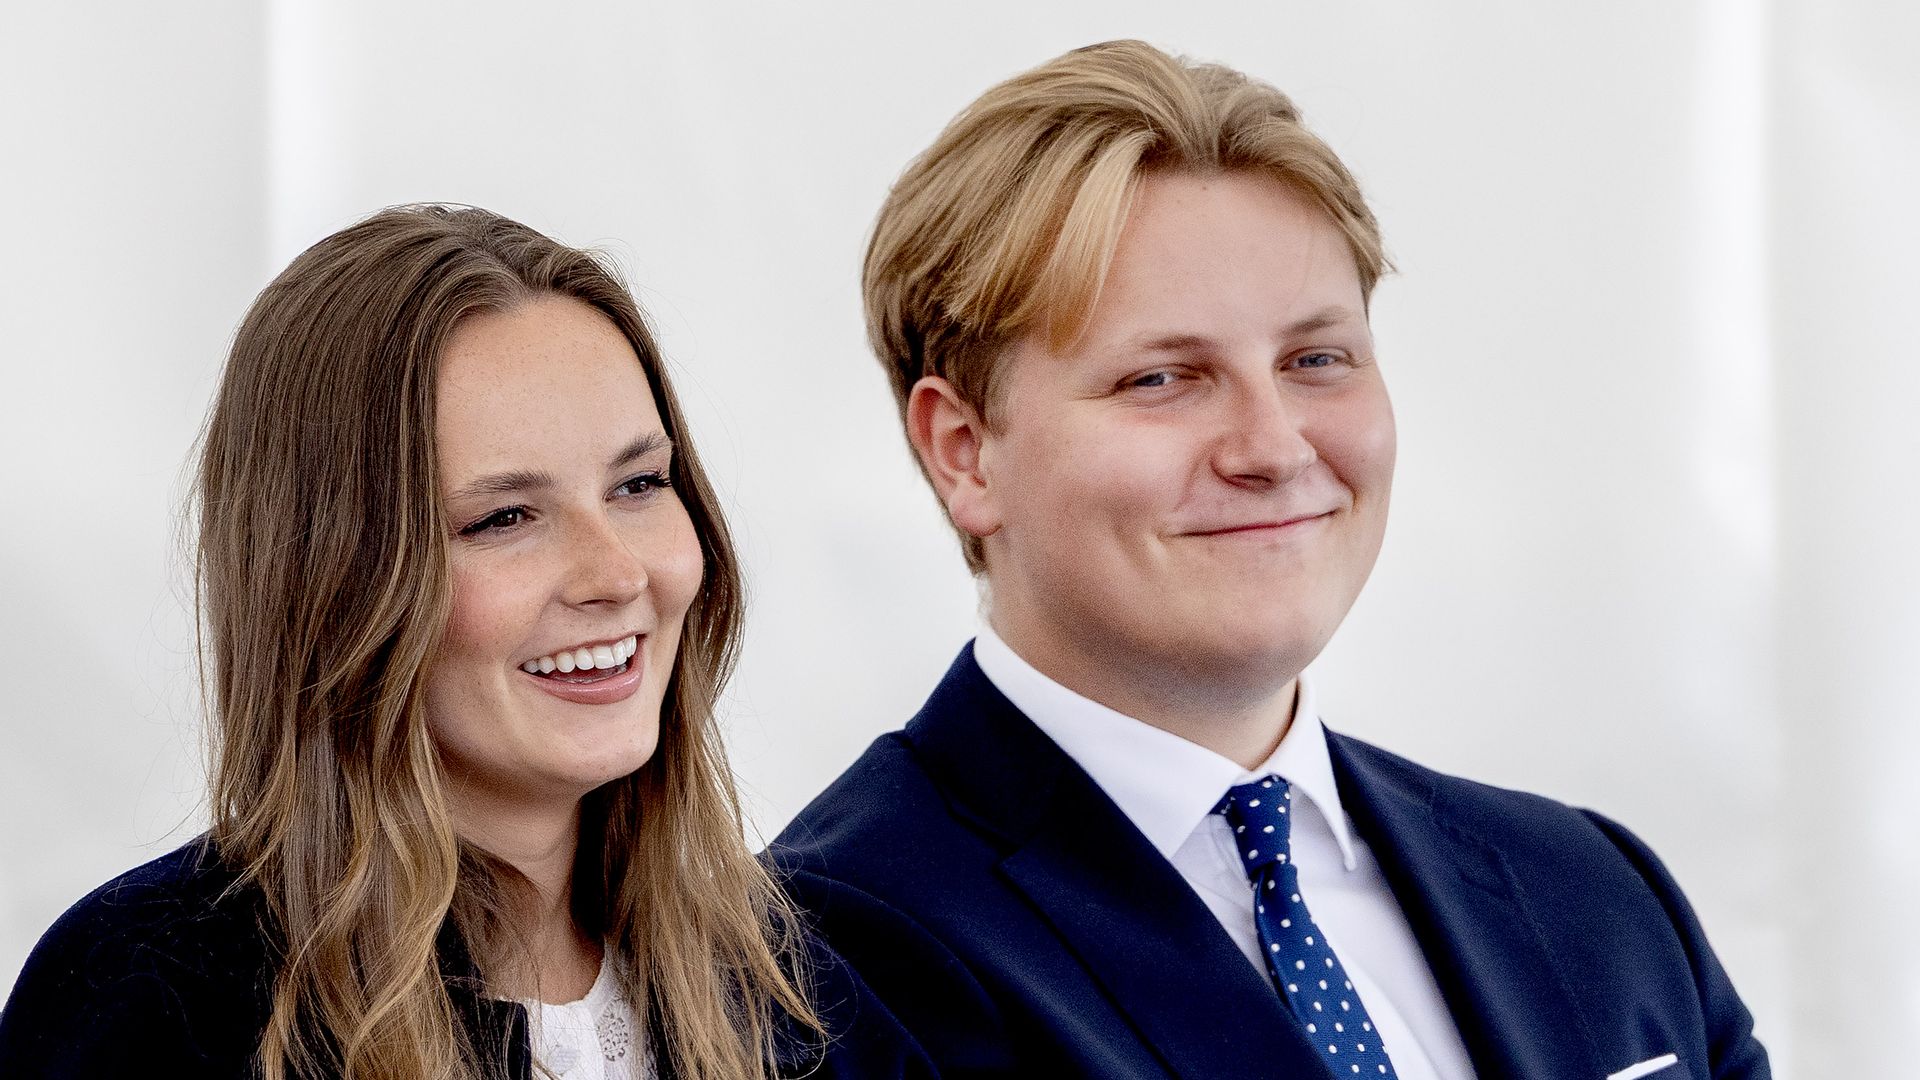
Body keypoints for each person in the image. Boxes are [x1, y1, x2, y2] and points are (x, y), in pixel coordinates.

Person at [772, 40, 1772, 1079]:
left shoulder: (1590, 892)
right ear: (963, 451)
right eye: (1162, 379)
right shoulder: (825, 961)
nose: (1276, 447)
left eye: (1315, 360)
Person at [0, 206, 926, 1080]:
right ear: (332, 584)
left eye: (639, 485)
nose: (615, 573)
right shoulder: (153, 1002)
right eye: (505, 517)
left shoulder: (801, 1001)